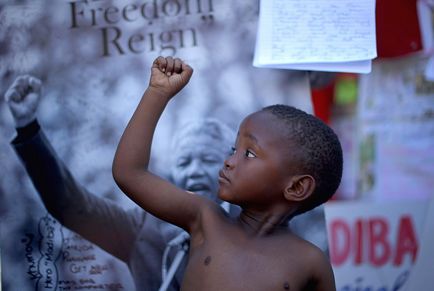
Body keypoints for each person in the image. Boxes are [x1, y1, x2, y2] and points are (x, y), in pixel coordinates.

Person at [112, 56, 343, 290]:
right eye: (234, 149)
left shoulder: (310, 263)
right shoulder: (204, 220)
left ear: (296, 187)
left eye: (249, 154)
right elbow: (129, 173)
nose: (229, 161)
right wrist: (157, 92)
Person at [4, 75, 237, 290]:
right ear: (172, 172)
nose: (194, 170)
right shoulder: (145, 230)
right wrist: (27, 126)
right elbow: (71, 206)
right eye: (184, 162)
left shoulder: (258, 222)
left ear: (231, 166)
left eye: (207, 159)